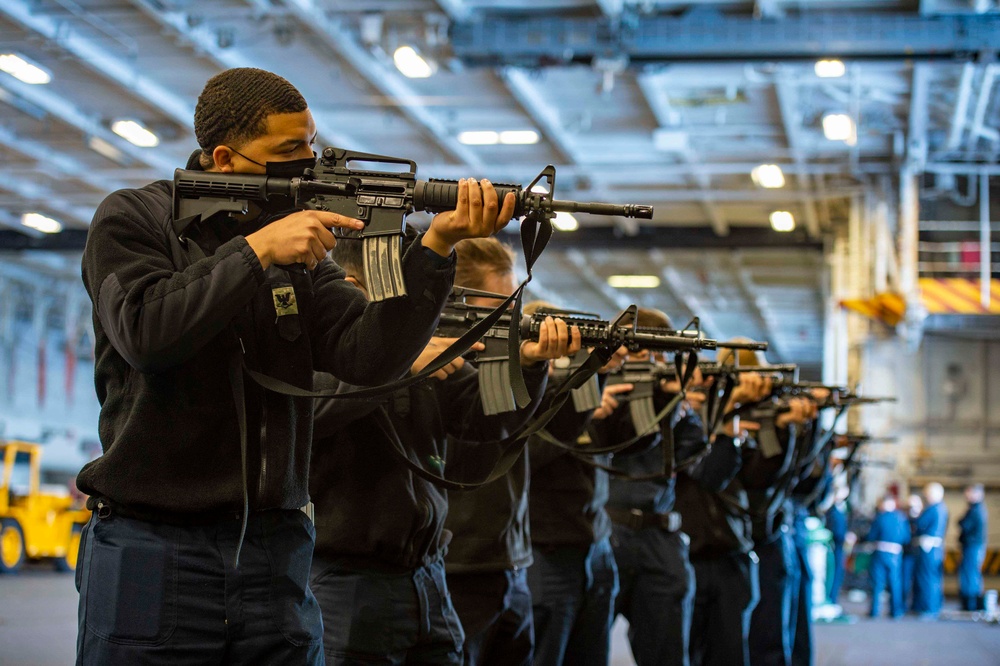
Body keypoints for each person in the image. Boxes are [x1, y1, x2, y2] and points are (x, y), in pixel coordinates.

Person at [75, 67, 514, 664]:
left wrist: (435, 247)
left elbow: (369, 357)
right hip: (154, 544)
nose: (309, 162)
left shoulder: (300, 246)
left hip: (273, 547)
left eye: (311, 143)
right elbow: (145, 333)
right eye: (289, 150)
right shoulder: (135, 219)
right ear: (224, 159)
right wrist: (256, 252)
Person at [307, 232, 569, 664]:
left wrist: (528, 366)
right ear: (352, 289)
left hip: (427, 575)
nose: (414, 311)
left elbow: (486, 416)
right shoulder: (318, 350)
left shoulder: (417, 346)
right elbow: (312, 408)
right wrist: (400, 362)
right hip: (348, 582)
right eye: (401, 292)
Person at [441, 241, 589, 666]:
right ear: (460, 301)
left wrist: (549, 368)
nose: (513, 316)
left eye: (515, 302)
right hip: (460, 568)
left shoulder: (500, 366)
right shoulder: (441, 367)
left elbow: (546, 433)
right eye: (502, 304)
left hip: (510, 563)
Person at [593, 308, 702, 666]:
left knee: (666, 654)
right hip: (607, 531)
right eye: (636, 349)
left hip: (659, 536)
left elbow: (695, 459)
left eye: (656, 352)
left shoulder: (674, 402)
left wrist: (676, 405)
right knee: (581, 649)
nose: (646, 360)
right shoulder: (600, 389)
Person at [675, 370, 772, 666]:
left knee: (730, 653)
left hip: (731, 554)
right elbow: (709, 474)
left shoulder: (721, 417)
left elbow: (763, 477)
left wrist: (784, 429)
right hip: (690, 556)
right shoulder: (681, 417)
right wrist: (727, 413)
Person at [864, 495, 910, 619]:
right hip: (896, 553)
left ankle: (874, 611)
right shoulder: (901, 518)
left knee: (877, 583)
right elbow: (906, 537)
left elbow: (871, 536)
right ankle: (896, 611)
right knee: (895, 582)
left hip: (880, 552)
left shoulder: (880, 518)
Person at [913, 482, 948, 618]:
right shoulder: (942, 508)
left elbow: (920, 524)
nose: (926, 496)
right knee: (933, 578)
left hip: (928, 548)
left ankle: (929, 609)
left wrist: (916, 514)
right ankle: (933, 607)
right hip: (935, 548)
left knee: (927, 578)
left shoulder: (933, 508)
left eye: (927, 493)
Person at [958, 484, 988, 611]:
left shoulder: (976, 510)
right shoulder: (976, 509)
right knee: (971, 574)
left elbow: (964, 524)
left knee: (970, 575)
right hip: (973, 547)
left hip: (973, 547)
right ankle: (972, 604)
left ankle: (971, 605)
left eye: (969, 492)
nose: (967, 495)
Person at [824, 484, 849, 605]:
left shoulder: (840, 509)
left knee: (838, 574)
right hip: (835, 546)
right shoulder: (833, 511)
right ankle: (831, 599)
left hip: (839, 546)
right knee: (834, 573)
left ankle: (833, 599)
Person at [902, 493, 923, 611]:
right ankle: (903, 605)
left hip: (919, 555)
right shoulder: (903, 519)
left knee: (919, 581)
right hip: (907, 555)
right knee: (905, 582)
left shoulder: (922, 520)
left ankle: (916, 605)